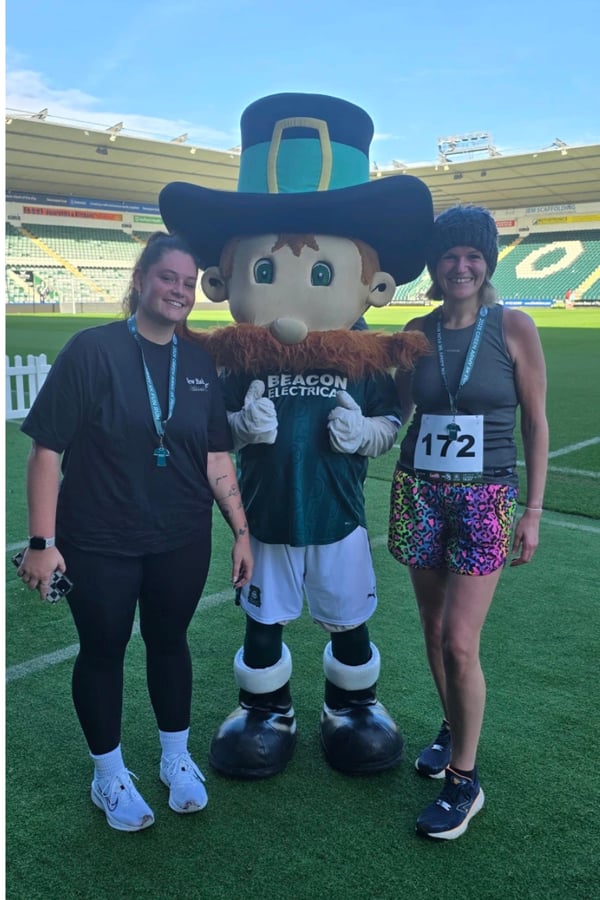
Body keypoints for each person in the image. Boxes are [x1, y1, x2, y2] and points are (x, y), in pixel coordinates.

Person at [159, 92, 433, 779]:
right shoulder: (233, 359)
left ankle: (353, 704)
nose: (296, 291)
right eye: (266, 270)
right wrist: (237, 428)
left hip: (338, 515)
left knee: (349, 616)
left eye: (321, 273)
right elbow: (206, 429)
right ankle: (266, 707)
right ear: (225, 280)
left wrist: (366, 432)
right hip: (265, 518)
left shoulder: (366, 355)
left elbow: (395, 421)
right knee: (263, 619)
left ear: (375, 286)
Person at [17, 232, 253, 832]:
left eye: (188, 282)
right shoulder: (91, 350)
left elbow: (216, 458)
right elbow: (47, 452)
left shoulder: (198, 362)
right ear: (142, 279)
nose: (179, 290)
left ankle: (176, 758)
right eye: (168, 277)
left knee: (170, 642)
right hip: (97, 540)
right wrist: (42, 544)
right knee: (103, 651)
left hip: (180, 536)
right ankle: (109, 774)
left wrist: (242, 532)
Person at [388, 206, 548, 840]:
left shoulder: (514, 326)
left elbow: (535, 423)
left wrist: (532, 510)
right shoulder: (415, 330)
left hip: (486, 498)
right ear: (436, 264)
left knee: (459, 639)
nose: (461, 265)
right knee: (431, 630)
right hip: (418, 491)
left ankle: (464, 781)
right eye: (450, 255)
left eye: (473, 256)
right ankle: (452, 725)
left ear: (488, 263)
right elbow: (396, 413)